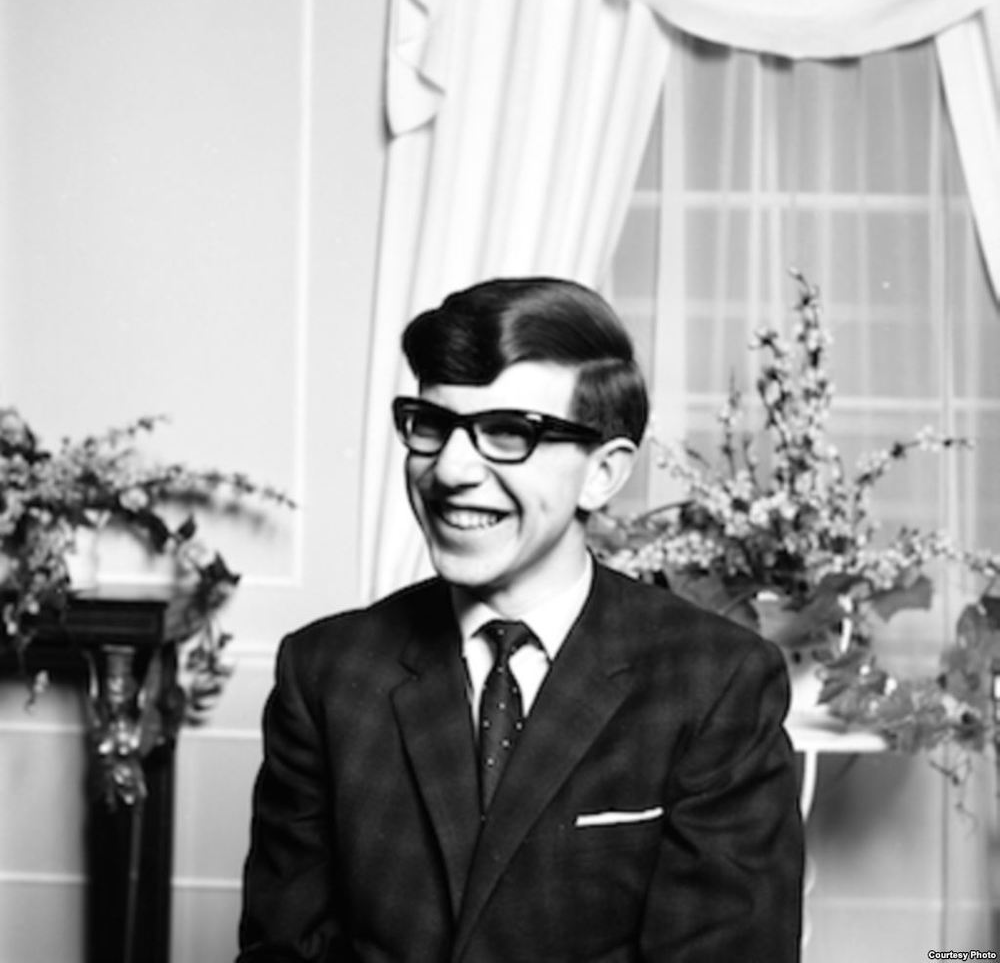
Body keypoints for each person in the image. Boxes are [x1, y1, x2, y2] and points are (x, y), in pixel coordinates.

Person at [237, 276, 804, 962]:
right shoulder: (325, 672)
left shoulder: (717, 681)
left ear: (603, 473)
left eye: (508, 433)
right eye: (431, 425)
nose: (450, 470)